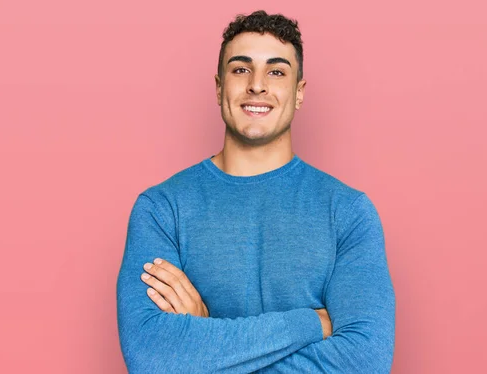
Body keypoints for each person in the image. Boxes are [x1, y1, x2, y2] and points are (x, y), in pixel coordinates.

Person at [116, 10, 395, 373]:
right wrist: (309, 324)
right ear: (219, 88)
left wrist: (205, 337)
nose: (257, 85)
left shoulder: (348, 212)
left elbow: (365, 362)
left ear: (298, 93)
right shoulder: (161, 209)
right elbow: (151, 357)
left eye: (276, 71)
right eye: (241, 69)